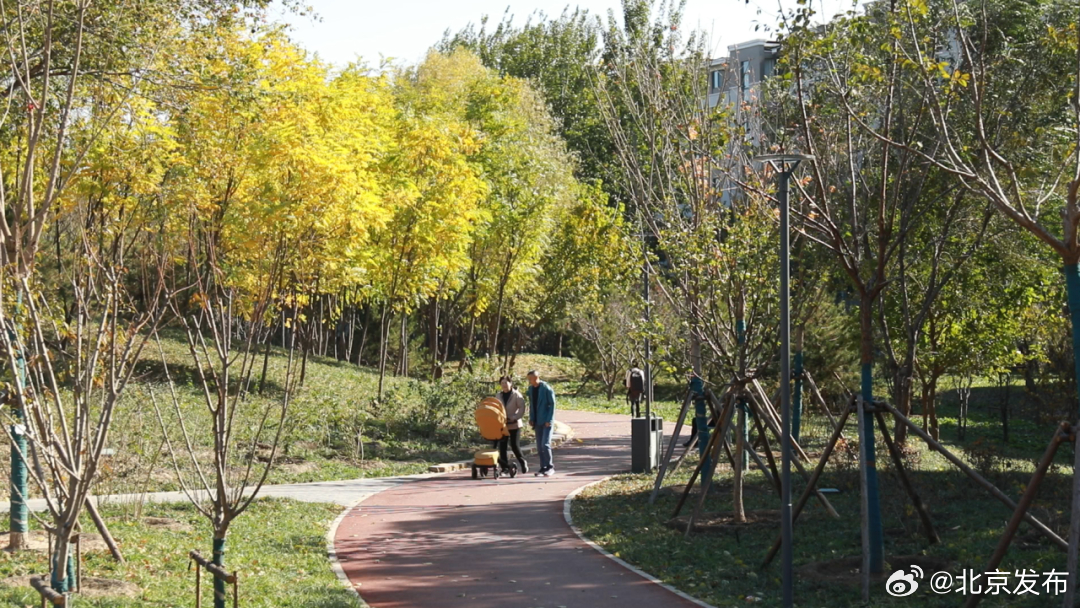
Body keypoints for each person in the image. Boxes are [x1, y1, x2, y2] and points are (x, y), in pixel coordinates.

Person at [495, 375, 528, 474]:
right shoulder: (498, 395)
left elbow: (522, 408)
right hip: (503, 425)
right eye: (502, 383)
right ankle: (505, 468)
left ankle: (523, 462)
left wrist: (515, 417)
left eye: (506, 382)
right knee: (502, 447)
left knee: (514, 446)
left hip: (514, 424)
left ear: (510, 383)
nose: (504, 385)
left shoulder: (516, 395)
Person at [527, 370, 557, 477]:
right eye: (530, 379)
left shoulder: (546, 389)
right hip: (537, 421)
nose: (531, 381)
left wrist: (549, 420)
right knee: (539, 446)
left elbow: (552, 405)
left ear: (538, 377)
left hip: (546, 421)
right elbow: (532, 405)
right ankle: (543, 467)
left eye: (533, 378)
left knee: (545, 444)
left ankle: (550, 467)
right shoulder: (530, 389)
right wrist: (531, 418)